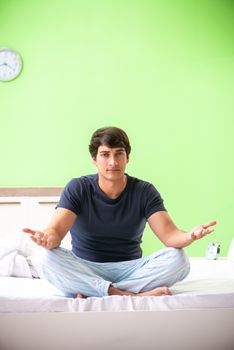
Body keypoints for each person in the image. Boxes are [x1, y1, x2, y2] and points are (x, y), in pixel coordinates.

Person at [23, 126, 216, 298]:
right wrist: (47, 238)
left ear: (128, 157)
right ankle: (130, 294)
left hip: (131, 269)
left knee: (179, 259)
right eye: (105, 154)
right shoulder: (78, 187)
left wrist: (190, 235)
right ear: (94, 159)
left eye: (119, 154)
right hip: (86, 267)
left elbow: (170, 236)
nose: (113, 162)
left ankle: (98, 291)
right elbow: (55, 232)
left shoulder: (144, 191)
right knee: (47, 258)